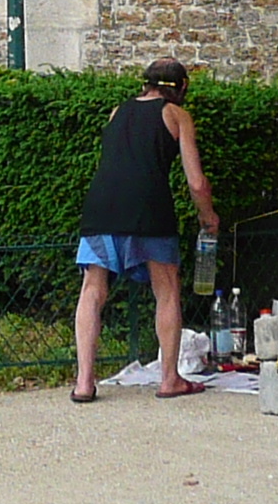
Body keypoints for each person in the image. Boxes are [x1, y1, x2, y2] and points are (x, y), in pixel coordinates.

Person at [70, 58, 218, 402]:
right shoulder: (176, 115)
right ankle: (169, 379)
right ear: (181, 88)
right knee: (165, 288)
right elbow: (196, 182)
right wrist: (208, 216)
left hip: (101, 205)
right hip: (150, 206)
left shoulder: (117, 111)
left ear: (144, 83)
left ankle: (84, 382)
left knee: (93, 288)